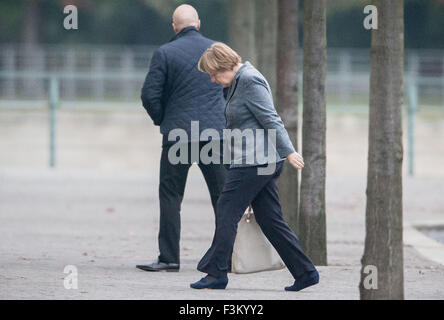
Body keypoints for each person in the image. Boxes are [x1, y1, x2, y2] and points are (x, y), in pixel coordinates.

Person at [190, 43, 319, 291]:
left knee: (227, 211)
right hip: (257, 161)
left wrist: (289, 151)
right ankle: (306, 273)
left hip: (255, 162)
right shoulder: (238, 81)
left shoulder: (249, 80)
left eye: (213, 74)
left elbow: (271, 118)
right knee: (270, 219)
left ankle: (216, 272)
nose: (213, 80)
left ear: (224, 65)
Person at [137, 5, 227, 272]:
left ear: (174, 26)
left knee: (170, 195)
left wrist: (163, 119)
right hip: (213, 134)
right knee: (223, 197)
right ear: (198, 24)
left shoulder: (165, 53)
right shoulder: (218, 50)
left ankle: (169, 258)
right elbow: (230, 87)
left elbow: (149, 95)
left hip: (178, 135)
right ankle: (228, 257)